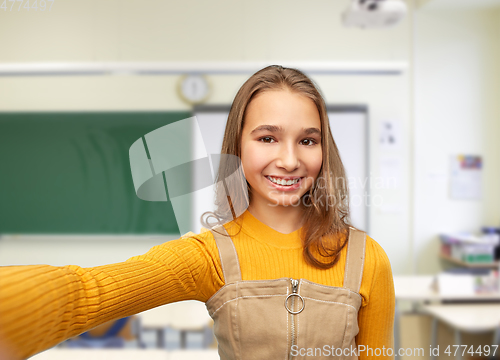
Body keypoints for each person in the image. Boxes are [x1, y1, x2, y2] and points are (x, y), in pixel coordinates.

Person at [0, 65, 395, 360]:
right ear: (238, 147)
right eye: (268, 137)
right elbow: (87, 293)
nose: (289, 160)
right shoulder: (208, 256)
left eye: (308, 140)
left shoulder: (366, 258)